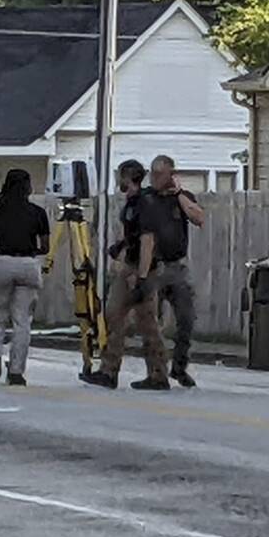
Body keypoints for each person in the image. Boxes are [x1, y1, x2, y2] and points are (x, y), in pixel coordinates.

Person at [79, 159, 166, 390]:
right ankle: (109, 371)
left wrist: (143, 277)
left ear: (127, 177)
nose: (119, 180)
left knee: (144, 322)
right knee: (115, 317)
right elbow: (136, 236)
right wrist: (120, 247)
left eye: (120, 176)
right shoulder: (132, 204)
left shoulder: (143, 204)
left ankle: (157, 374)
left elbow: (148, 241)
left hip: (140, 268)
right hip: (131, 264)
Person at [136, 154, 205, 389]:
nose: (155, 178)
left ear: (171, 175)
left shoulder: (182, 198)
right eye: (152, 173)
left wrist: (178, 195)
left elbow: (198, 218)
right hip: (154, 266)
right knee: (151, 324)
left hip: (176, 266)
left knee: (186, 318)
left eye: (160, 174)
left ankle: (180, 366)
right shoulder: (146, 199)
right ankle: (156, 372)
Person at [0, 169, 50, 386]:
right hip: (28, 264)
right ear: (27, 187)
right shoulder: (38, 213)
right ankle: (16, 371)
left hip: (2, 263)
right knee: (22, 321)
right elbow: (45, 247)